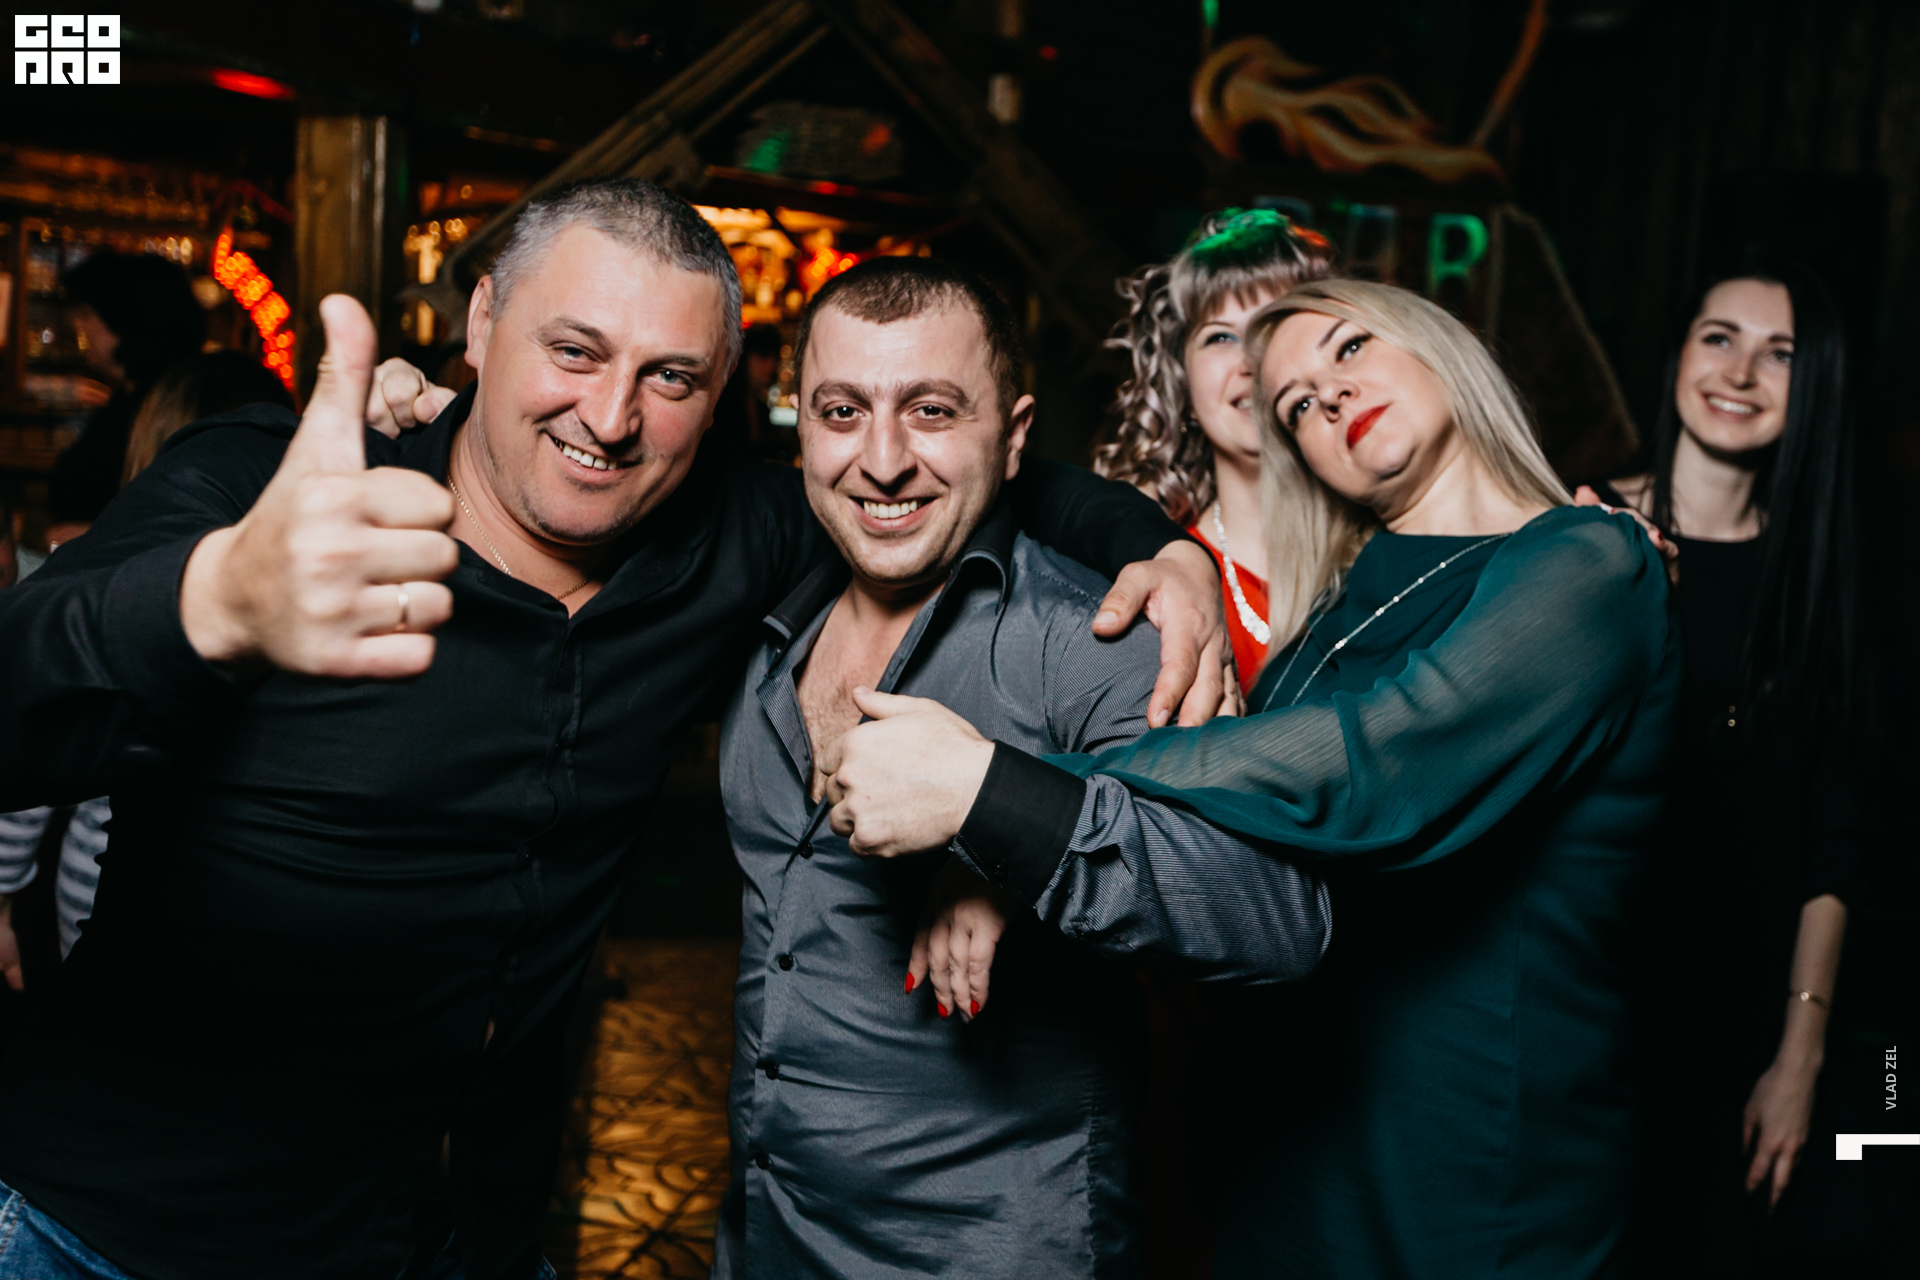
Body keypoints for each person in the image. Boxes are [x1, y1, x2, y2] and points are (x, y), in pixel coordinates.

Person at [0, 178, 1230, 1280]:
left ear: (721, 394)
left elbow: (967, 475)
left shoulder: (735, 537)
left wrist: (1163, 551)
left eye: (670, 377)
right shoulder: (273, 491)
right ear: (484, 323)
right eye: (573, 350)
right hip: (125, 1234)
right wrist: (210, 605)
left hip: (461, 1236)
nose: (610, 414)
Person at [823, 279, 1681, 1279]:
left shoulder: (1591, 557)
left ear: (1439, 345)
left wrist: (1006, 791)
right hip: (1291, 1131)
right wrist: (1016, 854)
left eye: (1350, 348)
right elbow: (1227, 822)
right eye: (1297, 405)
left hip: (1476, 1150)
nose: (1330, 395)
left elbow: (1371, 764)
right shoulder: (1338, 601)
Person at [712, 257, 1328, 1279]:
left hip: (990, 1252)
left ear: (1014, 434)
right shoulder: (772, 620)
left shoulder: (1094, 636)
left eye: (932, 410)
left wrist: (993, 802)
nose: (882, 459)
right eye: (841, 411)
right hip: (768, 1232)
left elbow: (1276, 912)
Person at [1588, 252, 1872, 1272]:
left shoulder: (1823, 575)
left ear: (1816, 382)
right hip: (1591, 999)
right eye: (1720, 337)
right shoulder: (1577, 529)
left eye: (1781, 353)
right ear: (1677, 353)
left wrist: (1800, 1055)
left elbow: (1836, 835)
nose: (1741, 372)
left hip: (1740, 1017)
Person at [1096, 208, 1334, 693]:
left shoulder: (1395, 549)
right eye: (1220, 337)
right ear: (1182, 385)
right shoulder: (1151, 578)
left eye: (1275, 326)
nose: (1250, 360)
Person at [46, 250, 205, 543]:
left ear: (121, 321)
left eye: (88, 314)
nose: (80, 326)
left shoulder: (167, 405)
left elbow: (173, 517)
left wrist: (96, 536)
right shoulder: (130, 397)